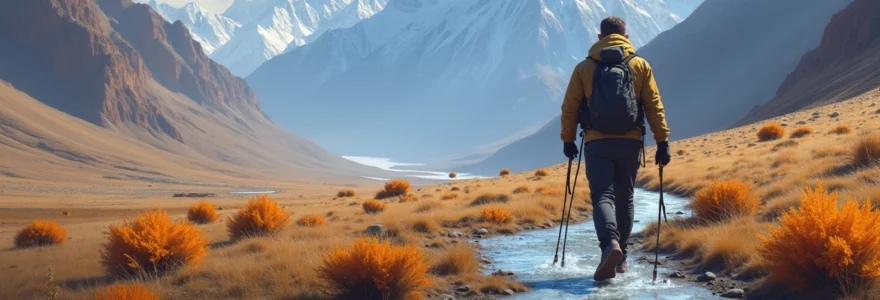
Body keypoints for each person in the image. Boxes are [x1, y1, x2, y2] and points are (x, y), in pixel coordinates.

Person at [560, 16, 671, 281]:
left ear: (600, 37)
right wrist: (662, 141)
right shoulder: (639, 65)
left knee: (602, 197)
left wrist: (568, 140)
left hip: (596, 142)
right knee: (625, 198)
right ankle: (622, 260)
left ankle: (610, 245)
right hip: (630, 142)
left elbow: (570, 107)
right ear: (626, 37)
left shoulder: (584, 67)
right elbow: (654, 105)